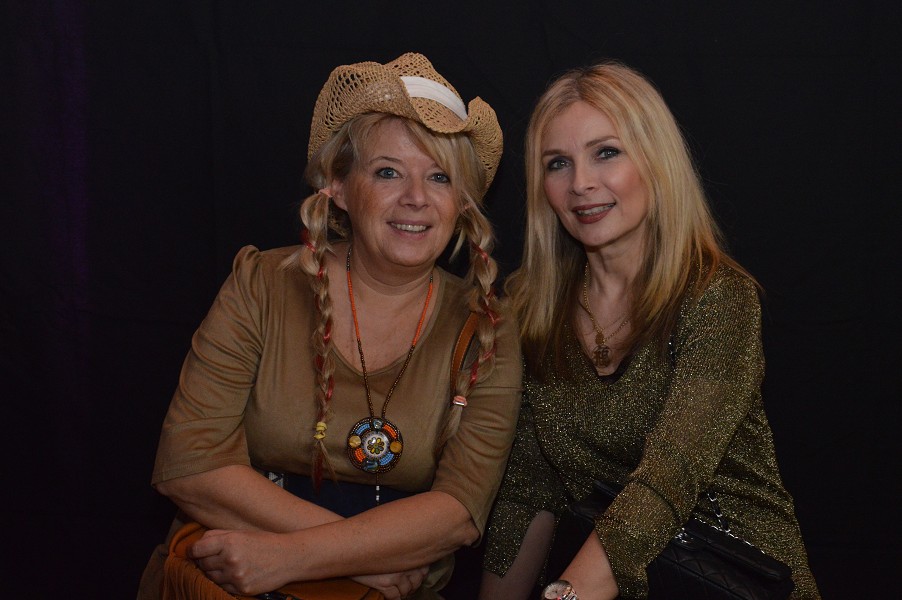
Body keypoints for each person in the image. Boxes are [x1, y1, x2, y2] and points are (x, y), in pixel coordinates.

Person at [137, 52, 522, 600]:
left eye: (439, 177)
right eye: (388, 172)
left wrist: (292, 557)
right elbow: (188, 464)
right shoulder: (262, 284)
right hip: (231, 581)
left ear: (461, 202)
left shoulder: (487, 329)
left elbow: (458, 513)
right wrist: (363, 557)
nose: (415, 197)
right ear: (338, 185)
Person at [479, 62, 820, 599]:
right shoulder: (531, 308)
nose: (581, 183)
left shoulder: (717, 296)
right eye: (558, 163)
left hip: (737, 582)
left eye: (606, 153)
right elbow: (528, 493)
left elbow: (668, 479)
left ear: (655, 160)